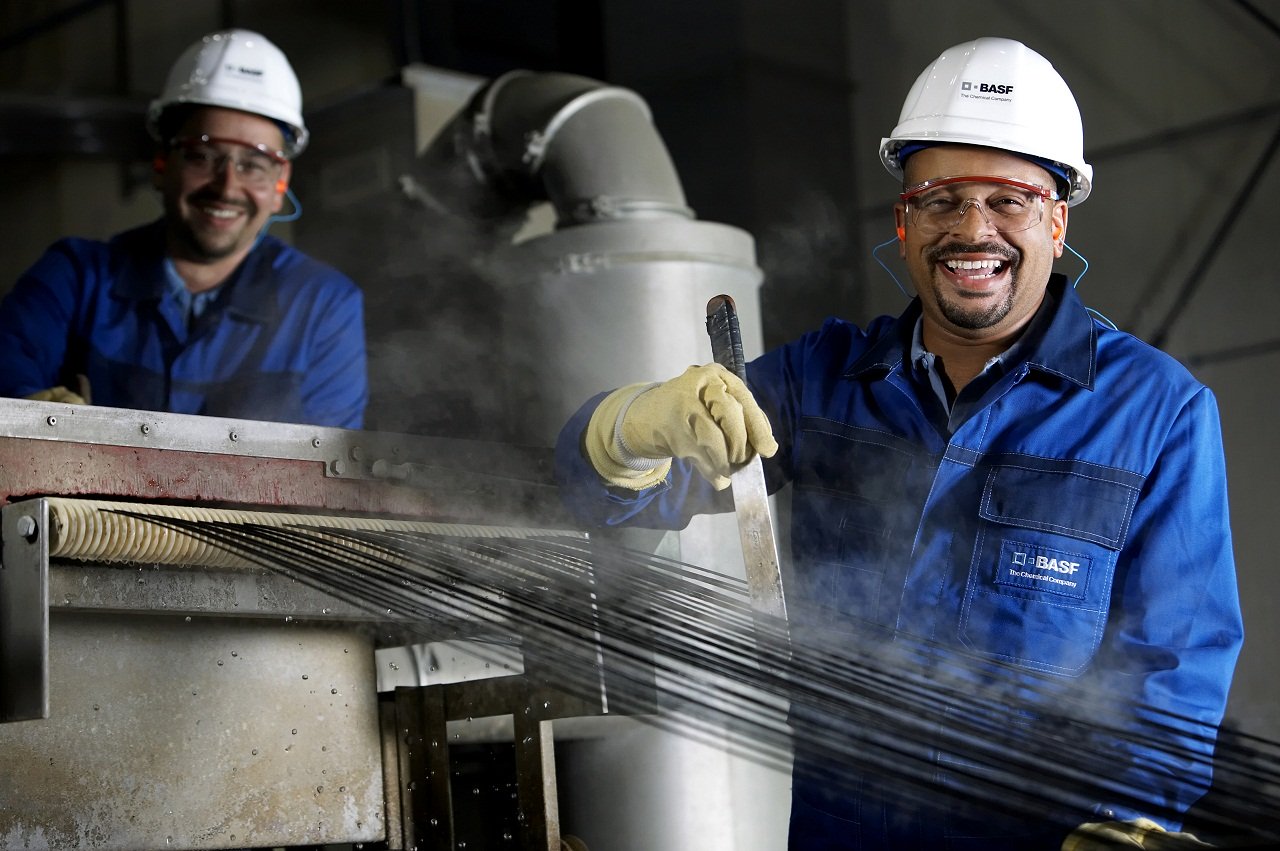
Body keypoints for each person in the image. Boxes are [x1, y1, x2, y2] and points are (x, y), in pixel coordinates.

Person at [554, 37, 1242, 850]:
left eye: (1010, 200)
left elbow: (1173, 668)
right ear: (904, 222)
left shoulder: (1156, 413)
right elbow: (597, 495)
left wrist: (1127, 824)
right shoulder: (822, 381)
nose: (972, 229)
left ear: (1057, 222)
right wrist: (632, 427)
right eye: (940, 200)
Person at [0, 29, 367, 428]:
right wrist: (30, 413)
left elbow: (330, 457)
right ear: (162, 164)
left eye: (254, 164)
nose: (227, 188)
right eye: (203, 156)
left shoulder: (323, 306)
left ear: (280, 184)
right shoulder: (76, 278)